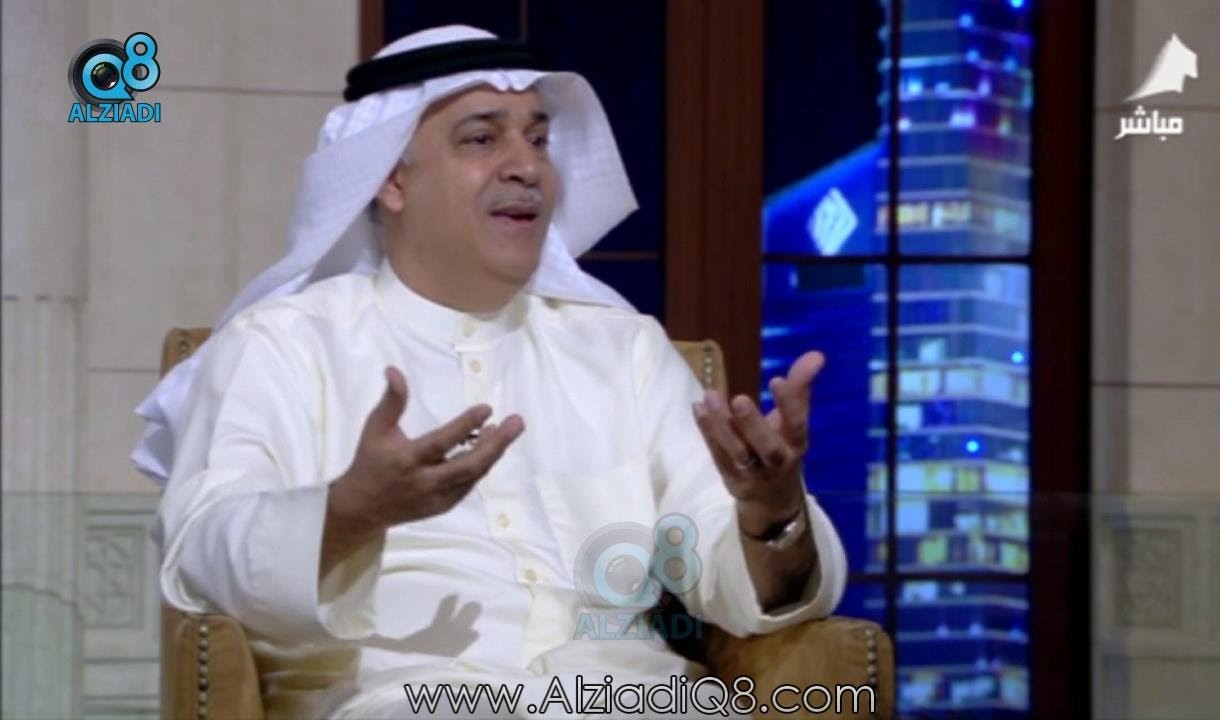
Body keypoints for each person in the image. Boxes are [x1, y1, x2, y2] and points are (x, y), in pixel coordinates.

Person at [135, 25, 847, 719]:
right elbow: (200, 554)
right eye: (482, 139)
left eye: (538, 139)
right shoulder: (283, 346)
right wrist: (349, 512)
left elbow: (731, 579)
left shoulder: (624, 349)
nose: (526, 166)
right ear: (391, 180)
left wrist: (771, 513)